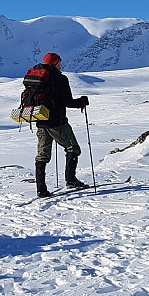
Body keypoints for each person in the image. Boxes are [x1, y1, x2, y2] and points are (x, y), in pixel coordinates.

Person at [34, 52, 90, 197]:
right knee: (73, 148)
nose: (61, 64)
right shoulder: (60, 79)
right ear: (55, 62)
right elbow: (68, 102)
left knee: (42, 156)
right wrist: (82, 101)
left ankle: (41, 189)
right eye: (59, 61)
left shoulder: (38, 78)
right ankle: (71, 180)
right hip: (57, 122)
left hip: (40, 121)